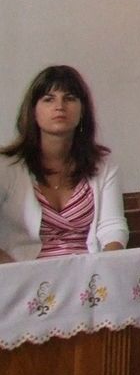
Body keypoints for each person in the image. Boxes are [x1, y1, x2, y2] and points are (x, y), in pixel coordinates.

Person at [0, 66, 128, 263]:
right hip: (23, 274)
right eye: (49, 99)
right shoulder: (6, 166)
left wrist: (107, 269)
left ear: (82, 110)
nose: (59, 106)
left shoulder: (103, 165)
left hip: (88, 273)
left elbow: (112, 227)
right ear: (33, 111)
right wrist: (15, 273)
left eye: (69, 98)